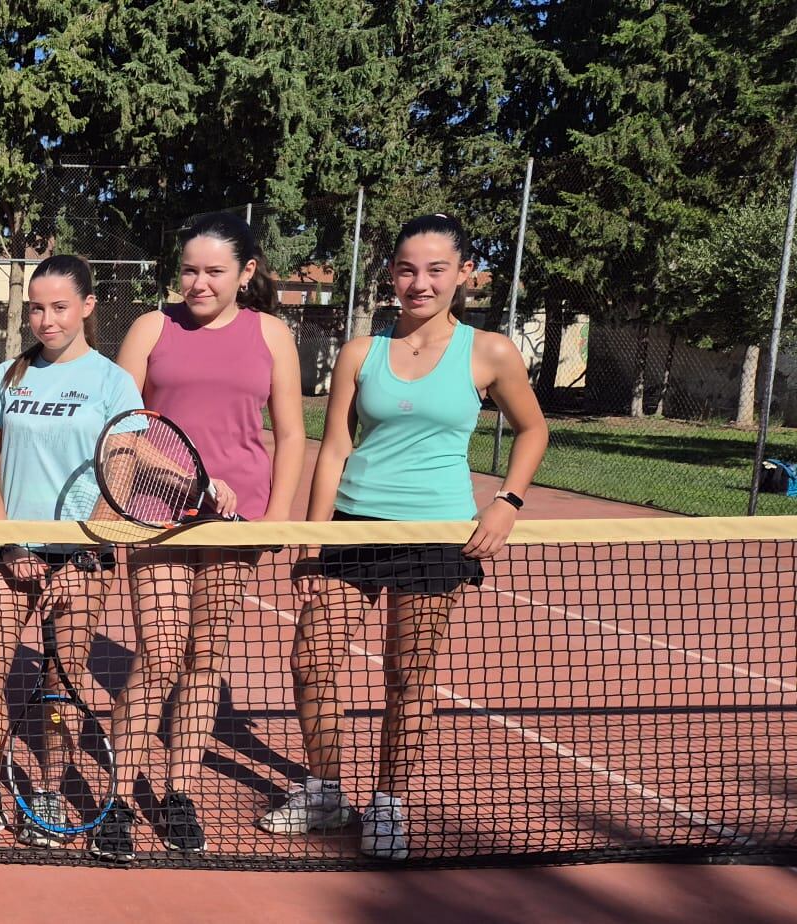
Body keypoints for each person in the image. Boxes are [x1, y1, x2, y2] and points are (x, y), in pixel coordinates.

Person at [257, 213, 546, 860]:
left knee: (408, 677)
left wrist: (507, 501)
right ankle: (327, 790)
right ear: (390, 273)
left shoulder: (490, 351)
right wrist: (314, 533)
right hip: (353, 530)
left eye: (436, 269)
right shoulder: (363, 351)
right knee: (310, 662)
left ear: (463, 274)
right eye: (407, 269)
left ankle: (389, 804)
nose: (420, 282)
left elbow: (534, 431)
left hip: (436, 535)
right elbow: (334, 447)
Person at [94, 213, 304, 857]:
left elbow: (291, 433)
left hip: (237, 523)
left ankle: (179, 789)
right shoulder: (151, 327)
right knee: (158, 658)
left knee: (204, 659)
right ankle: (119, 798)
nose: (199, 282)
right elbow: (122, 426)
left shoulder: (271, 333)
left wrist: (275, 522)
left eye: (215, 271)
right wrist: (186, 478)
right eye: (190, 269)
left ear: (245, 274)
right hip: (158, 516)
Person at [0, 254, 140, 849]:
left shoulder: (113, 382)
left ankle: (51, 792)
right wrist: (10, 545)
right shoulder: (8, 375)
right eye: (37, 307)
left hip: (83, 560)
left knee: (60, 682)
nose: (46, 319)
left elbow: (123, 477)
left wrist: (84, 556)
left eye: (60, 307)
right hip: (9, 555)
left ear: (88, 306)